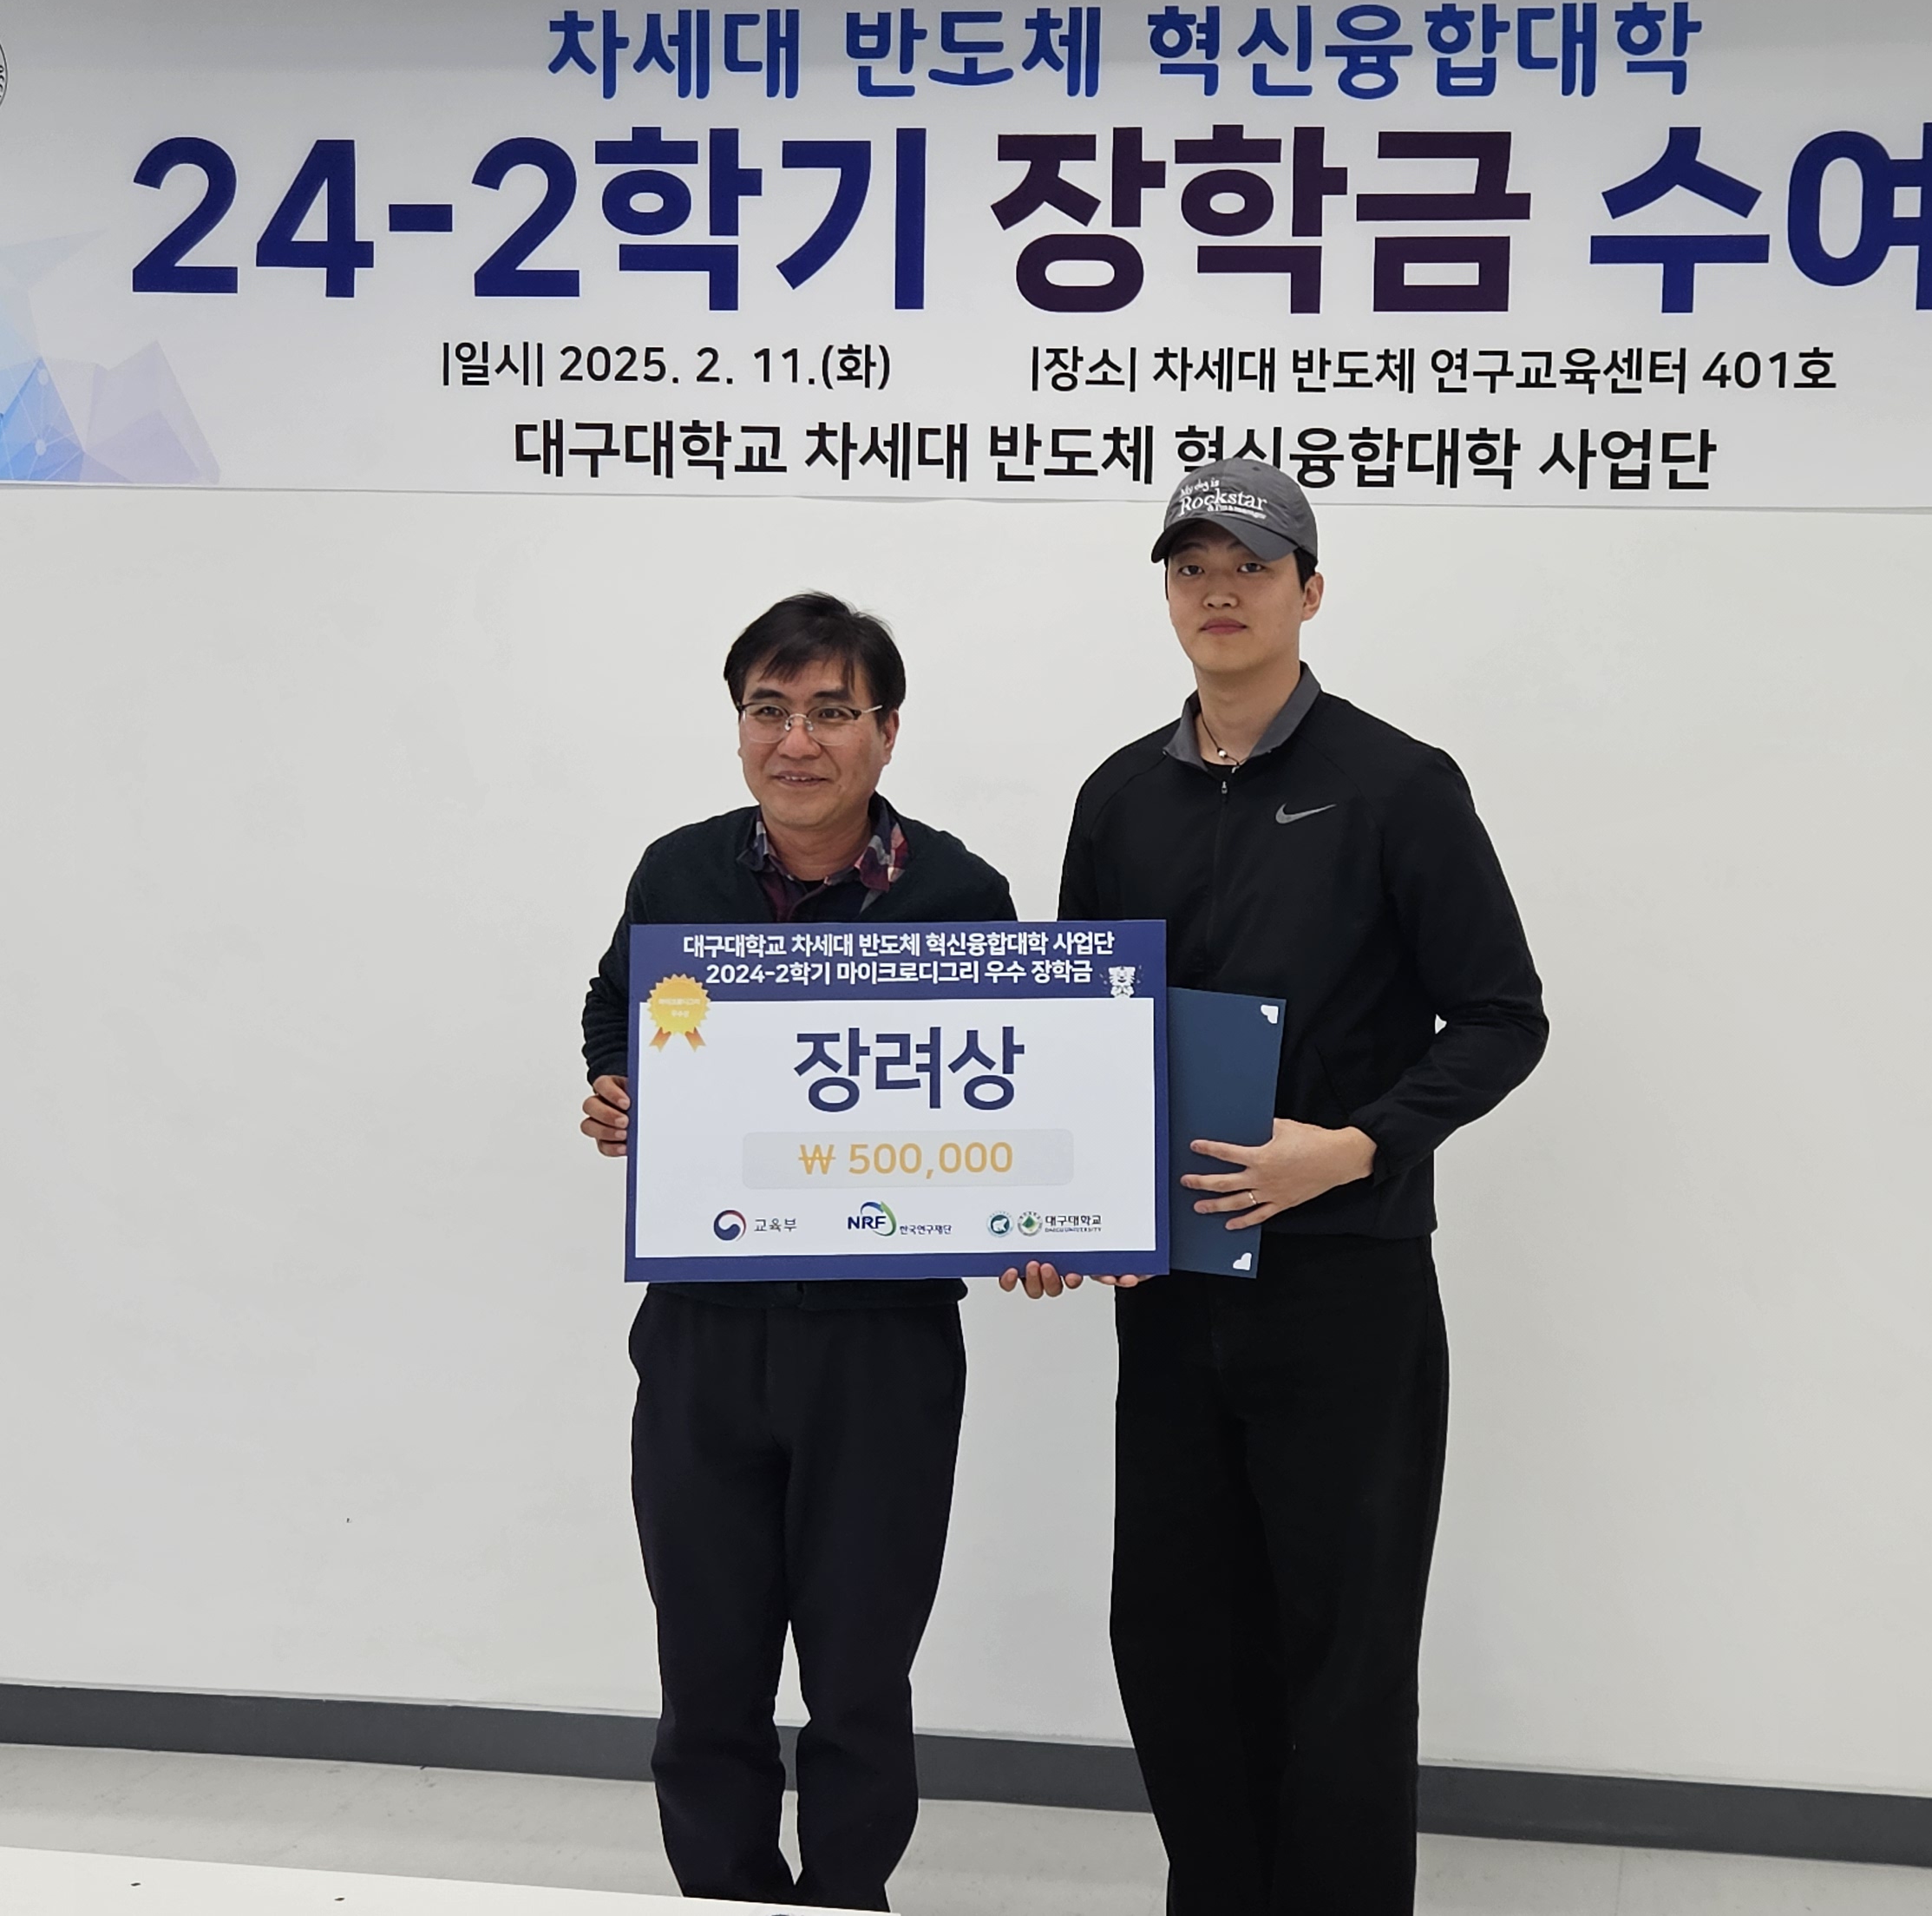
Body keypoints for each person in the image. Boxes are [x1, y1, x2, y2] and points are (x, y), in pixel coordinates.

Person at [1009, 462, 1549, 1913]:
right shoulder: (1120, 796)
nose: (1219, 592)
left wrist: (1355, 1145)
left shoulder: (1397, 785)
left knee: (1342, 1649)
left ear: (1310, 590)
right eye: (1191, 567)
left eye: (1251, 566)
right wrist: (1055, 1205)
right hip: (1173, 1288)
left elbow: (1504, 1018)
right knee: (1175, 1636)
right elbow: (1079, 1036)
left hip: (1345, 1284)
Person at [578, 594, 1017, 1909]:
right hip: (704, 1330)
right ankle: (726, 1895)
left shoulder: (958, 896)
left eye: (832, 711)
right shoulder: (678, 874)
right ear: (739, 729)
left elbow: (1016, 1090)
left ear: (887, 732)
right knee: (705, 1666)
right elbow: (616, 1003)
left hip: (881, 1342)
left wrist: (1044, 1217)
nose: (797, 741)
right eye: (768, 711)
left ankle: (845, 1898)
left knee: (860, 1670)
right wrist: (618, 1085)